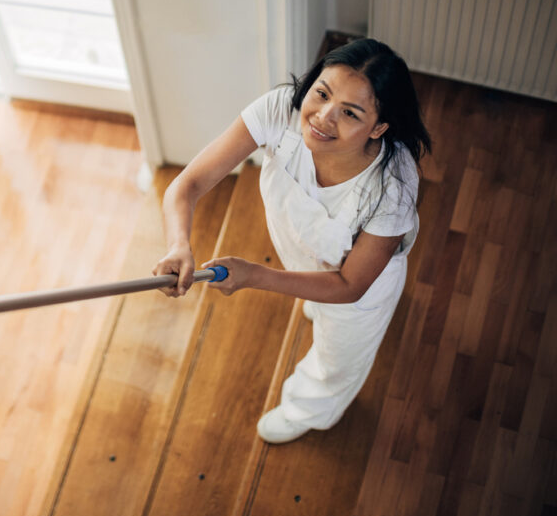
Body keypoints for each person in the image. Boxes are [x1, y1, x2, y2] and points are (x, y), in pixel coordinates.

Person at [152, 38, 432, 443]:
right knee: (314, 295)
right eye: (322, 93)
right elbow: (188, 185)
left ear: (379, 127)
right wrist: (178, 243)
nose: (322, 117)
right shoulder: (280, 110)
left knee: (336, 361)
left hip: (360, 290)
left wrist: (253, 275)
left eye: (350, 113)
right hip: (301, 253)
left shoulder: (392, 187)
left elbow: (350, 285)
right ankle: (314, 305)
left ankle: (310, 409)